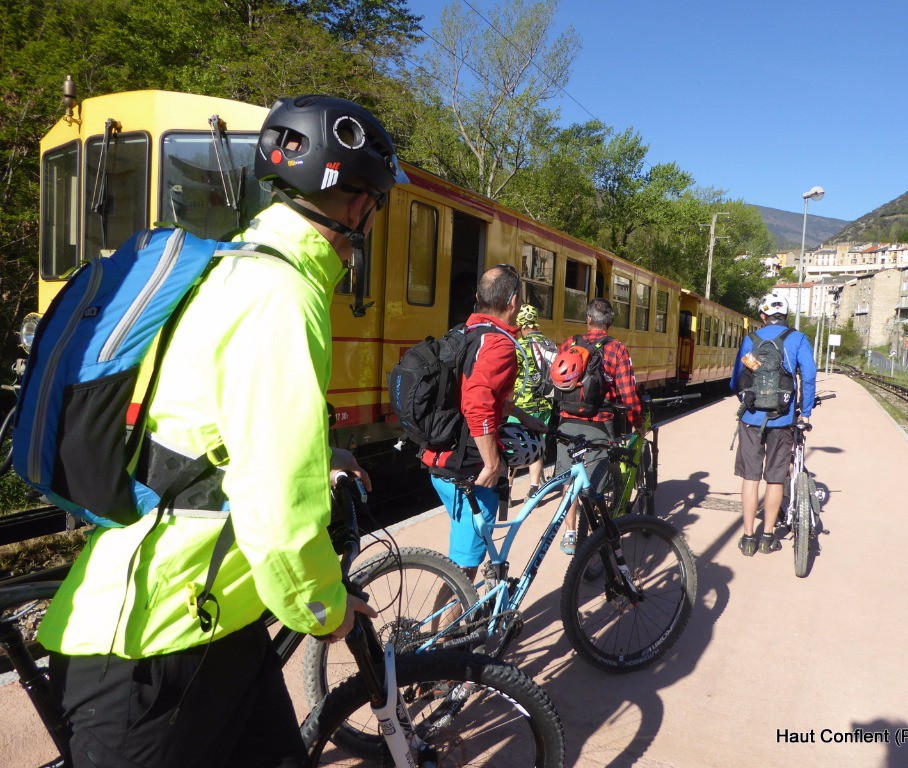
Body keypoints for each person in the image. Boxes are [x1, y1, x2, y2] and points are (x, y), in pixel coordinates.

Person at [37, 95, 407, 768]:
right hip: (156, 641)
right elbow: (277, 514)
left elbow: (209, 426)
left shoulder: (231, 268)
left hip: (220, 622)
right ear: (359, 206)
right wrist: (324, 609)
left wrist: (315, 453)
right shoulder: (281, 297)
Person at [421, 264, 522, 580]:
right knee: (461, 573)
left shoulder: (465, 333)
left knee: (465, 558)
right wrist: (492, 464)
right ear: (515, 302)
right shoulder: (500, 343)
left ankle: (463, 621)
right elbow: (477, 401)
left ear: (479, 298)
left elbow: (475, 389)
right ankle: (447, 629)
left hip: (440, 454)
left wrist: (524, 417)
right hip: (469, 468)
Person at [730, 292, 817, 556]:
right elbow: (810, 376)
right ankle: (768, 537)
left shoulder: (751, 340)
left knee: (750, 477)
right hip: (783, 418)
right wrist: (806, 412)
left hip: (751, 418)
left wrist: (747, 399)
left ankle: (747, 539)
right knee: (776, 478)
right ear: (786, 316)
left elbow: (737, 379)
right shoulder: (797, 339)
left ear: (763, 316)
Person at [554, 297, 643, 555]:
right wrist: (637, 424)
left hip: (567, 422)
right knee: (595, 485)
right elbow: (628, 393)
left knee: (569, 480)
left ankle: (570, 534)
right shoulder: (616, 349)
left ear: (588, 320)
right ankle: (594, 539)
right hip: (599, 424)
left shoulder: (569, 343)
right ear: (610, 324)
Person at [509, 303, 556, 498]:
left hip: (520, 407)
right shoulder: (550, 344)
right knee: (537, 445)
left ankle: (507, 492)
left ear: (520, 325)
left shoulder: (518, 346)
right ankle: (534, 489)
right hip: (544, 405)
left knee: (511, 447)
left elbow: (510, 376)